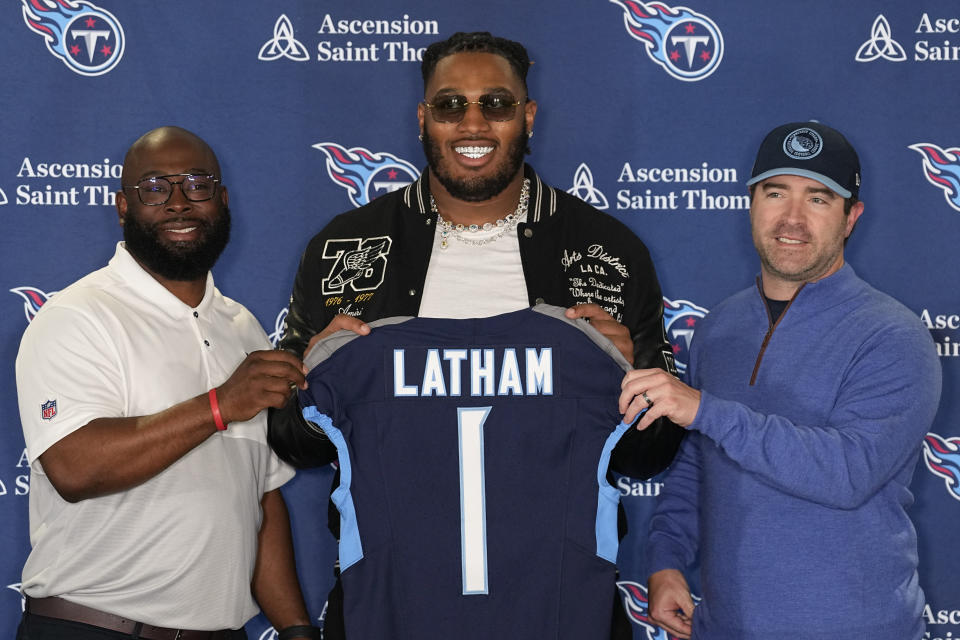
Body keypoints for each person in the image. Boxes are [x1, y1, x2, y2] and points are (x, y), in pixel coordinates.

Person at [269, 32, 684, 640]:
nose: (473, 123)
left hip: (561, 605)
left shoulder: (608, 251)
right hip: (391, 603)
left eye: (496, 104)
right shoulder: (344, 250)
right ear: (422, 118)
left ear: (528, 116)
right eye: (449, 105)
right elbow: (296, 443)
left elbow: (650, 453)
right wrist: (305, 376)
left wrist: (636, 392)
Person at [619, 121, 942, 639]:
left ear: (850, 217)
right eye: (776, 193)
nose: (792, 218)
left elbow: (848, 472)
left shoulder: (892, 335)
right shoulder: (719, 326)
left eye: (818, 198)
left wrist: (705, 409)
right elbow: (696, 463)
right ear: (751, 203)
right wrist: (666, 558)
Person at [15, 126, 319, 640]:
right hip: (95, 629)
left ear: (221, 200)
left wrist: (295, 628)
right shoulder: (78, 316)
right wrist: (221, 404)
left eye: (197, 185)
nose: (179, 203)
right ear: (122, 207)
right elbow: (75, 467)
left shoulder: (243, 328)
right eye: (154, 188)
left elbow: (260, 501)